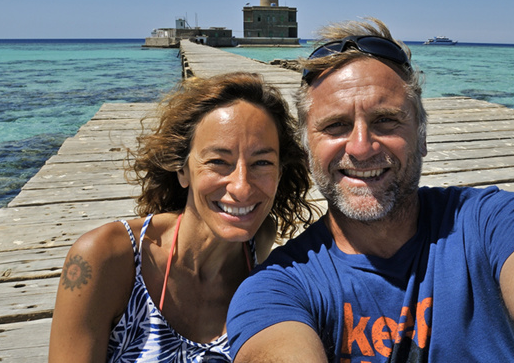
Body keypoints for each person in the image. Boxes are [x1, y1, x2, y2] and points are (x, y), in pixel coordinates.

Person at [227, 17, 514, 362]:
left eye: (385, 120)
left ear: (423, 135)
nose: (360, 147)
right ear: (306, 147)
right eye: (336, 125)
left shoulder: (492, 223)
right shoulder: (277, 290)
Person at [48, 72, 318, 362]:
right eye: (218, 162)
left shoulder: (258, 239)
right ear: (182, 170)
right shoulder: (108, 257)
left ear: (280, 171)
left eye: (262, 162)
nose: (241, 187)